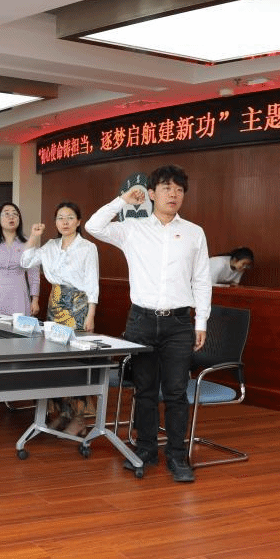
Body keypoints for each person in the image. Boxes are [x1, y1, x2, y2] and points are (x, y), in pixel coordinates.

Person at [86, 164, 211, 483]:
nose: (174, 194)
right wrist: (122, 200)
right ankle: (145, 450)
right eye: (167, 188)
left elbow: (202, 279)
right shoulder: (133, 229)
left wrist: (201, 321)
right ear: (152, 194)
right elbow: (93, 226)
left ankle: (177, 457)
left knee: (176, 392)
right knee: (144, 390)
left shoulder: (194, 232)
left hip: (179, 322)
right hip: (141, 320)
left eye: (179, 189)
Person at [22, 202, 101, 434]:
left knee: (76, 363)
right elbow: (25, 262)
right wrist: (34, 237)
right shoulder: (50, 245)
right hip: (55, 304)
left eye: (70, 217)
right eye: (60, 218)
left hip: (78, 306)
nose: (64, 222)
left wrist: (91, 314)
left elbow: (92, 283)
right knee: (55, 361)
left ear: (79, 221)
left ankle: (79, 418)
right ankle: (63, 413)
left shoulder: (88, 247)